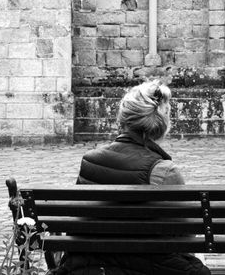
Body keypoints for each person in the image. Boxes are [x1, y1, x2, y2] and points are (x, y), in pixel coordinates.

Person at [52, 79, 212, 275]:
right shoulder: (165, 172)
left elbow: (81, 224)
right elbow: (186, 235)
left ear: (124, 119)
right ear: (162, 123)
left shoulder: (90, 161)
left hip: (90, 266)